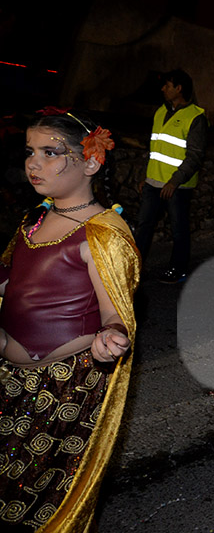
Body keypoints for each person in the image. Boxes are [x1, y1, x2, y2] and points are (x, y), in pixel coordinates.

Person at [0, 109, 139, 530]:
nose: (33, 163)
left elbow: (116, 309)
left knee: (36, 492)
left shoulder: (103, 231)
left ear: (91, 162)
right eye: (30, 152)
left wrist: (112, 334)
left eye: (50, 152)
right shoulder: (36, 218)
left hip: (61, 387)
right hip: (8, 377)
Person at [134, 68, 208, 284]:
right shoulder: (160, 112)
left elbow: (195, 156)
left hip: (178, 187)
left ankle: (178, 270)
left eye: (167, 85)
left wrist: (174, 181)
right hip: (152, 182)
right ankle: (135, 267)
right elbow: (154, 149)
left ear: (179, 88)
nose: (163, 89)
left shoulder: (196, 117)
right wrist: (144, 176)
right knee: (144, 227)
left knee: (179, 230)